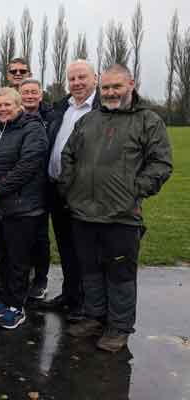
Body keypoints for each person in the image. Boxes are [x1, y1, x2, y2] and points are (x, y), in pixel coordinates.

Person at [61, 64, 172, 352]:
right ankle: (95, 317)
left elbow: (160, 164)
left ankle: (119, 327)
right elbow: (68, 154)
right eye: (106, 88)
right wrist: (71, 189)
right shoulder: (89, 120)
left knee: (120, 275)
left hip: (122, 216)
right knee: (90, 270)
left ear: (130, 85)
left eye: (116, 87)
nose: (110, 92)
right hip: (83, 212)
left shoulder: (148, 121)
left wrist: (135, 190)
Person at [0, 87, 48, 329]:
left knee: (18, 260)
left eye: (7, 105)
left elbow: (27, 166)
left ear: (19, 106)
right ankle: (4, 299)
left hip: (21, 208)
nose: (2, 109)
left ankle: (17, 306)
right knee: (3, 256)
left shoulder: (33, 129)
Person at [42, 60, 101, 321]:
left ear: (95, 79)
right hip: (57, 188)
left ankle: (85, 303)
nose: (76, 83)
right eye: (72, 78)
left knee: (84, 249)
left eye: (82, 77)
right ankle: (70, 294)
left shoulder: (101, 110)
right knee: (65, 245)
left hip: (83, 191)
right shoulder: (63, 108)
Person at [19, 79, 57, 300]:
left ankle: (40, 279)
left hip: (44, 185)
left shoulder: (51, 118)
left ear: (41, 96)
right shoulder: (14, 117)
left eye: (34, 92)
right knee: (20, 237)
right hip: (19, 186)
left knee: (41, 236)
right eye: (26, 92)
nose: (30, 96)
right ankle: (22, 277)